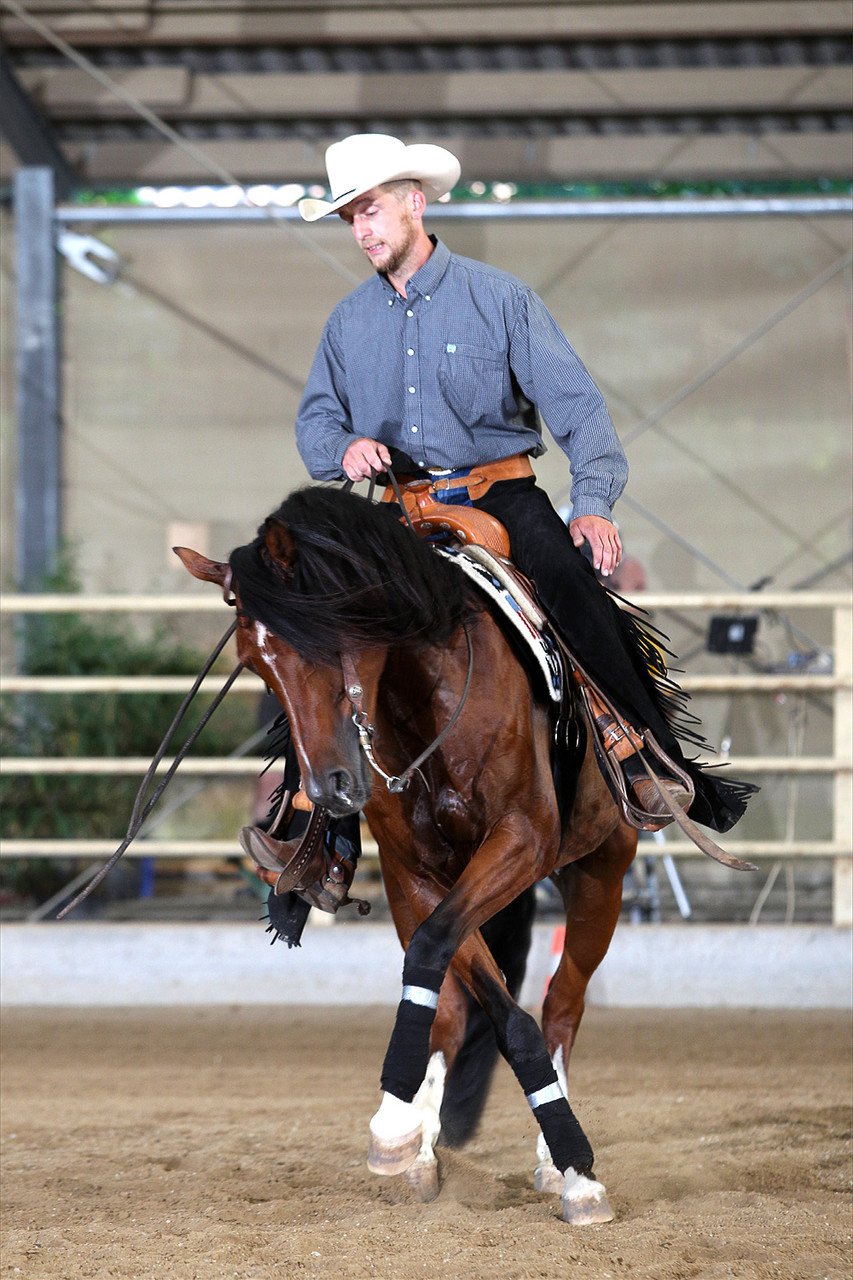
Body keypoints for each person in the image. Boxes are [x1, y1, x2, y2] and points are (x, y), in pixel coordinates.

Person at [294, 133, 752, 833]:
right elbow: (316, 421)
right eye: (350, 216)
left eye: (371, 210)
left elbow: (579, 411)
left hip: (501, 494)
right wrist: (343, 445)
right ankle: (307, 825)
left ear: (414, 203)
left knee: (570, 586)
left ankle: (641, 753)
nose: (361, 229)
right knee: (313, 616)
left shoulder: (501, 300)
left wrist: (593, 505)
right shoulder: (346, 323)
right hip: (400, 504)